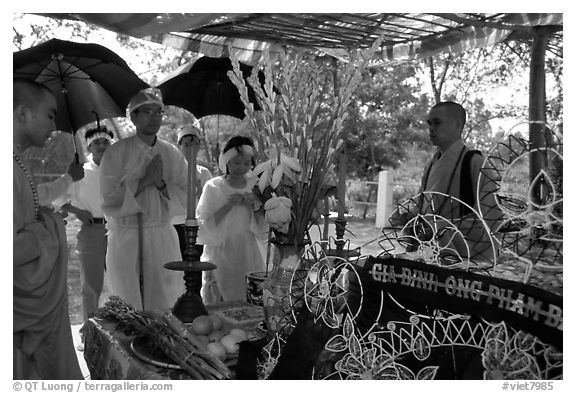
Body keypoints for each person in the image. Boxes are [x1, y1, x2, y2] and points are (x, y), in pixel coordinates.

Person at [13, 78, 83, 379]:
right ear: (22, 114)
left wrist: (40, 218)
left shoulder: (16, 161)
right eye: (51, 114)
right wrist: (49, 227)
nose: (54, 126)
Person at [99, 89, 188, 311]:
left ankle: (165, 343)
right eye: (147, 112)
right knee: (130, 298)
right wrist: (143, 182)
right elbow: (109, 198)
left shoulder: (172, 153)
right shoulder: (116, 153)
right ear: (133, 117)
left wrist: (160, 184)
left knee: (166, 298)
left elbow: (187, 194)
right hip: (128, 236)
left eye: (159, 112)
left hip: (161, 235)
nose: (154, 117)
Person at [416, 101, 500, 262]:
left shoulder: (475, 163)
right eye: (430, 123)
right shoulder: (431, 164)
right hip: (429, 252)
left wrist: (441, 228)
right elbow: (422, 206)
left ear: (457, 125)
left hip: (464, 258)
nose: (431, 128)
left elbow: (490, 218)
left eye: (437, 123)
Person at [53, 126, 114, 322]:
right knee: (91, 285)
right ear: (89, 146)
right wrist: (78, 211)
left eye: (105, 142)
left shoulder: (118, 169)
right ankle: (89, 330)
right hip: (92, 230)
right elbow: (59, 199)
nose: (102, 146)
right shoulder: (81, 171)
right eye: (96, 142)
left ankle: (119, 329)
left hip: (118, 231)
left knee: (120, 281)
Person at [196, 136, 267, 302]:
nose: (242, 167)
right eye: (236, 162)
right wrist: (227, 206)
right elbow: (203, 225)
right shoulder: (214, 186)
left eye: (247, 163)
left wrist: (256, 205)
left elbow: (265, 222)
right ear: (226, 161)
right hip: (221, 251)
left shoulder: (256, 185)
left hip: (248, 250)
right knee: (220, 296)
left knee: (249, 294)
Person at [171, 124, 212, 296]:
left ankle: (195, 299)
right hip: (176, 225)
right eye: (186, 144)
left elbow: (208, 201)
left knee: (195, 267)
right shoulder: (172, 171)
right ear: (180, 146)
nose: (191, 147)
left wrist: (199, 189)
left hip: (197, 227)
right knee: (178, 266)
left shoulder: (204, 173)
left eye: (195, 143)